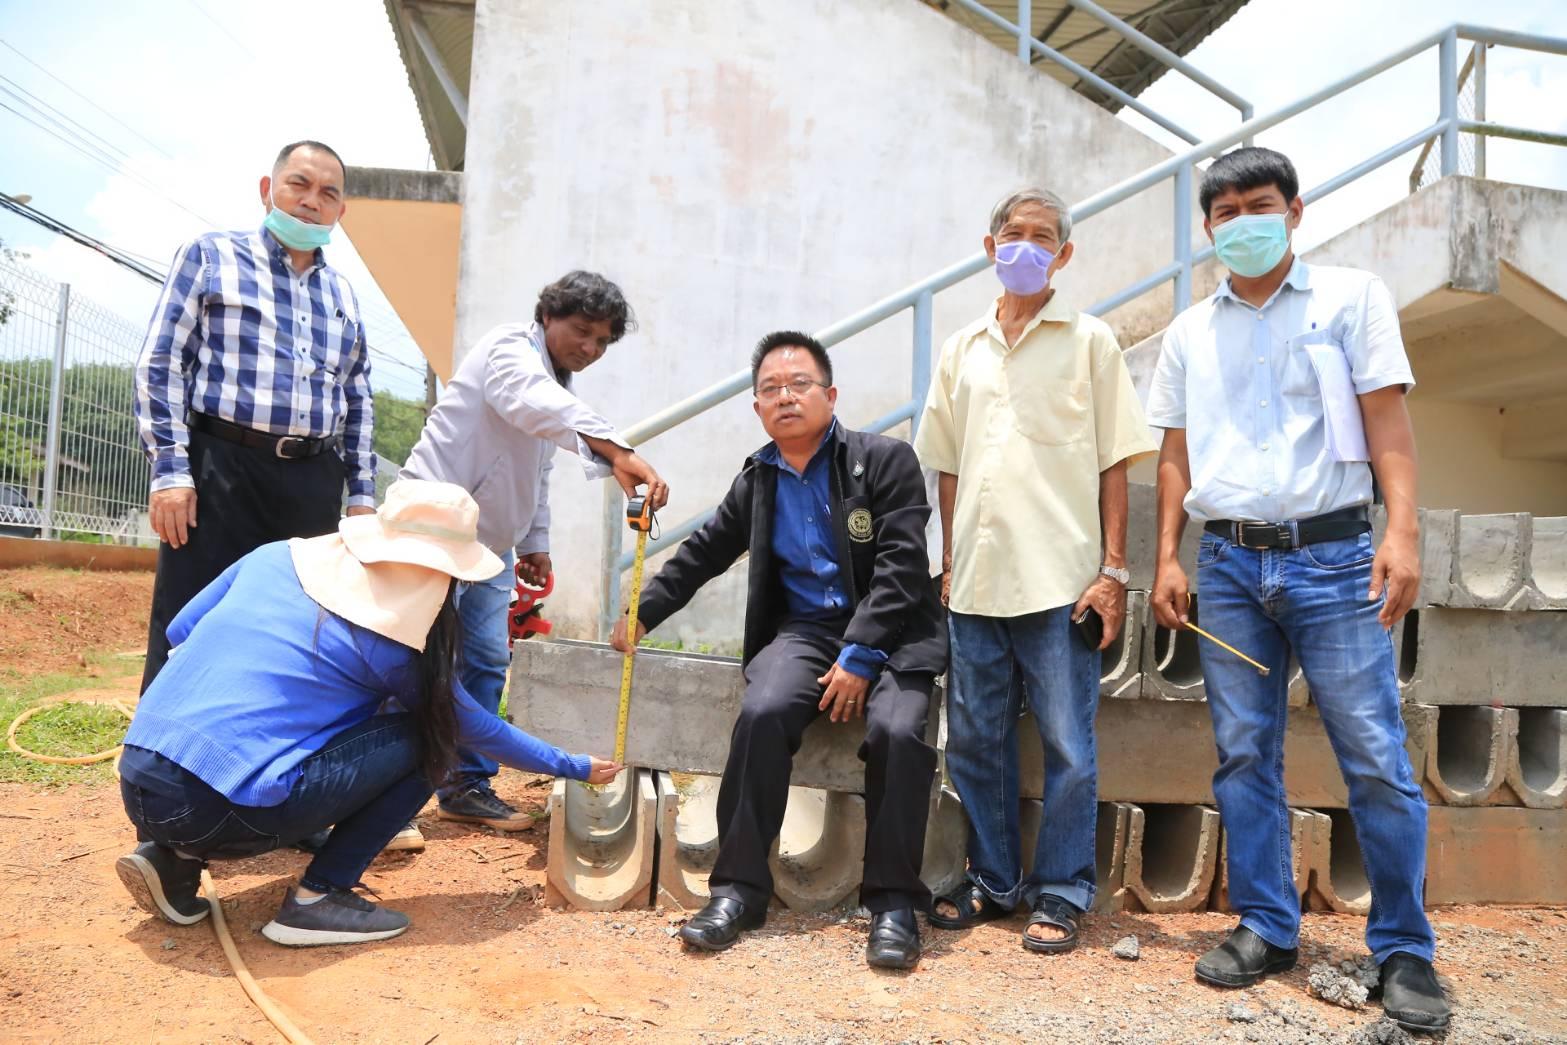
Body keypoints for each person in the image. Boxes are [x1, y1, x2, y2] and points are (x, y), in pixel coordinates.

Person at [1146, 147, 1448, 1033]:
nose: (1243, 222)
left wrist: (1401, 532)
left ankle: (1403, 947)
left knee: (1374, 753)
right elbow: (1174, 451)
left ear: (1294, 210)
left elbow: (1387, 420)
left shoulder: (1351, 299)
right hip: (1228, 565)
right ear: (1207, 227)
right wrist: (1166, 557)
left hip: (1335, 559)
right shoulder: (1188, 332)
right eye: (1226, 211)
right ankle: (1268, 924)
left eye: (1260, 204)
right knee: (1243, 753)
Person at [114, 480, 621, 947]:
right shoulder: (394, 644)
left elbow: (180, 630)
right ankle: (318, 898)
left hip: (139, 776)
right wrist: (573, 765)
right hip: (217, 810)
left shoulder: (275, 556)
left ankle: (173, 858)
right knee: (429, 737)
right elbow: (474, 727)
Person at [612, 331, 946, 969]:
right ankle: (737, 892)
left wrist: (860, 656)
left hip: (896, 633)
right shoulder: (758, 479)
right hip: (806, 632)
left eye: (799, 385)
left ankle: (895, 904)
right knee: (763, 712)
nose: (785, 397)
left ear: (830, 396)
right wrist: (642, 612)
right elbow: (706, 550)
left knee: (898, 732)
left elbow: (903, 569)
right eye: (771, 389)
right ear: (757, 407)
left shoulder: (884, 460)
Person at [913, 187, 1156, 953]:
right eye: (1012, 234)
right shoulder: (961, 349)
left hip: (1061, 583)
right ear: (990, 247)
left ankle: (1060, 889)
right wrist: (948, 560)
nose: (1026, 246)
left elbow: (1115, 460)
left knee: (1068, 747)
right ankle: (992, 879)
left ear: (1064, 253)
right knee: (973, 742)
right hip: (975, 583)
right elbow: (947, 464)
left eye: (1042, 236)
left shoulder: (1090, 342)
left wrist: (1112, 569)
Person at [399, 271, 667, 842]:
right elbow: (535, 404)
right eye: (582, 331)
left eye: (602, 341)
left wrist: (534, 543)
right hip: (430, 536)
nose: (589, 348)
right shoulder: (509, 351)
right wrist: (618, 450)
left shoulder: (556, 387)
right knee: (410, 663)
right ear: (547, 315)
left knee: (485, 662)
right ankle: (382, 796)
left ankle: (465, 787)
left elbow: (536, 472)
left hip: (490, 550)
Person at [133, 140, 376, 694]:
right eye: (299, 184)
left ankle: (268, 744)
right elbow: (161, 363)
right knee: (191, 620)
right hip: (222, 470)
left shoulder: (342, 294)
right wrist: (170, 472)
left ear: (340, 211)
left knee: (294, 629)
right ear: (268, 190)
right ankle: (164, 748)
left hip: (312, 481)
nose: (312, 201)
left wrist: (362, 496)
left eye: (328, 193)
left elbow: (358, 395)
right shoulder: (210, 255)